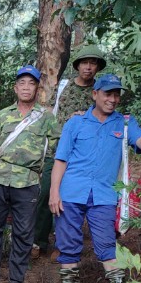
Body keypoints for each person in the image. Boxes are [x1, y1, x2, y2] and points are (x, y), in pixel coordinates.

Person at [49, 75, 141, 283]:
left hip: (104, 195)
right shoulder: (75, 123)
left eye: (116, 94)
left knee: (107, 245)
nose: (113, 99)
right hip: (70, 193)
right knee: (68, 245)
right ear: (95, 94)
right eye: (108, 94)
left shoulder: (126, 123)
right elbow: (61, 160)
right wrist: (54, 192)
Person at [0, 66, 58, 283]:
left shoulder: (45, 117)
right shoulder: (3, 115)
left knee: (23, 234)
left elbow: (57, 145)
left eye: (30, 83)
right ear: (15, 87)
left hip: (28, 182)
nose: (25, 87)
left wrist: (44, 167)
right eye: (21, 82)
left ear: (36, 88)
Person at [33, 42, 107, 256]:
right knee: (47, 190)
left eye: (93, 63)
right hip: (58, 149)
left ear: (97, 67)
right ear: (77, 65)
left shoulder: (100, 91)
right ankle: (38, 241)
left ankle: (63, 244)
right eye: (85, 62)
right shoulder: (64, 86)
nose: (88, 67)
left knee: (72, 197)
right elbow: (52, 115)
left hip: (83, 155)